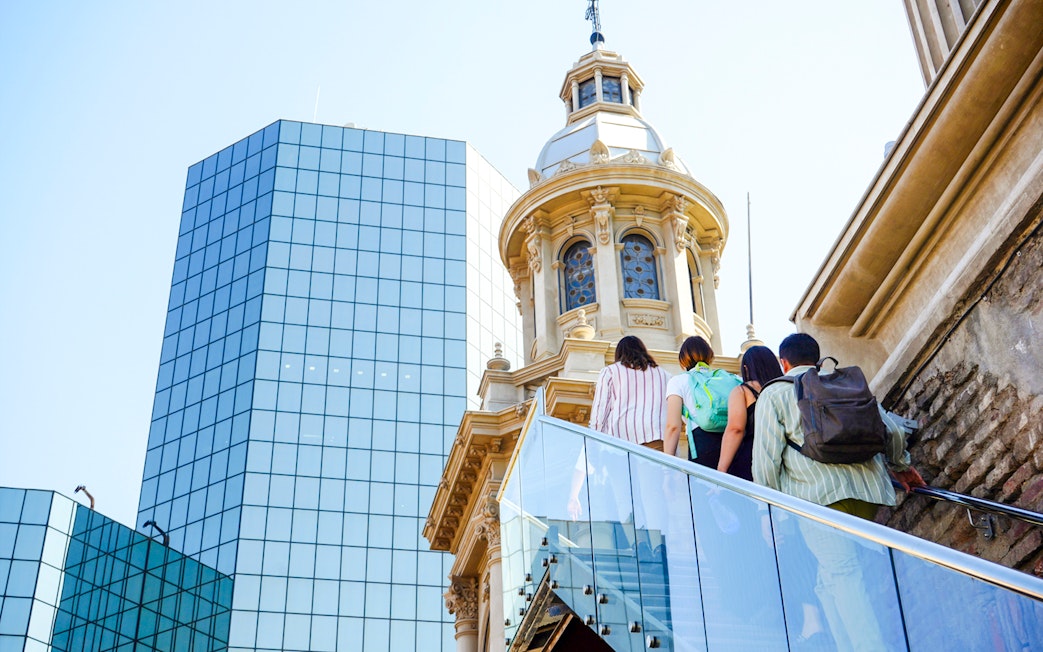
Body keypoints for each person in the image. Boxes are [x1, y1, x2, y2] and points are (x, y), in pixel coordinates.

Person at [752, 333, 925, 652]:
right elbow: (894, 430)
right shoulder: (843, 383)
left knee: (845, 577)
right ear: (817, 360)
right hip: (868, 495)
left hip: (819, 501)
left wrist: (767, 512)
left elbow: (765, 461)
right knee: (827, 581)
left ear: (783, 362)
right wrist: (901, 466)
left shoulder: (775, 393)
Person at [588, 335, 672, 450]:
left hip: (620, 443)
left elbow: (600, 411)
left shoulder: (610, 372)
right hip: (657, 439)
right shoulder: (665, 375)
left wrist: (594, 441)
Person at [665, 335, 738, 466]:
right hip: (734, 444)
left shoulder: (678, 381)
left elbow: (673, 427)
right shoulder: (726, 377)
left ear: (682, 361)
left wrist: (666, 466)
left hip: (703, 445)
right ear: (709, 356)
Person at [718, 345, 783, 481]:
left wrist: (721, 469)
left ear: (746, 369)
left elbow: (736, 429)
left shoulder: (742, 391)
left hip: (752, 457)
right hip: (784, 455)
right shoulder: (784, 388)